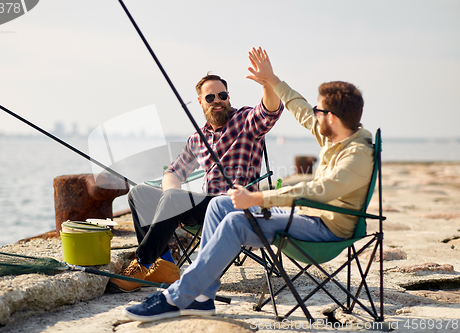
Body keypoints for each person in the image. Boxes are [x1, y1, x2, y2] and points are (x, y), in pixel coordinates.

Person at [122, 47, 374, 321]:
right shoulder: (333, 136)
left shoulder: (358, 154)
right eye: (210, 97)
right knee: (217, 204)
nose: (315, 114)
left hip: (324, 226)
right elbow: (299, 108)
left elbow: (318, 191)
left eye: (320, 111)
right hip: (301, 214)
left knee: (235, 221)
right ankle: (203, 297)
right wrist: (272, 79)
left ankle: (177, 295)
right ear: (200, 101)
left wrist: (257, 199)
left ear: (332, 118)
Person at [109, 60, 284, 292]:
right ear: (201, 102)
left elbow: (269, 111)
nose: (217, 101)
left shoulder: (245, 121)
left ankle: (141, 263)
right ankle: (166, 266)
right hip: (205, 208)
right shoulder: (197, 139)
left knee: (173, 200)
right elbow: (174, 171)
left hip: (236, 206)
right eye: (210, 98)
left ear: (228, 96)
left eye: (222, 95)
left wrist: (267, 83)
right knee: (139, 193)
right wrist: (171, 190)